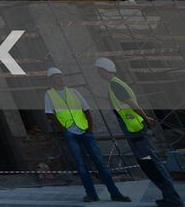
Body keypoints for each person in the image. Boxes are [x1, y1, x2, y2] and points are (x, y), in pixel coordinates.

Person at [94, 58, 183, 207]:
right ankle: (168, 195)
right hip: (133, 129)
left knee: (151, 163)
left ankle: (172, 197)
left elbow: (132, 104)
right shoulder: (116, 84)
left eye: (98, 70)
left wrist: (145, 117)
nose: (97, 73)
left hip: (135, 130)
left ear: (103, 70)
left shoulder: (115, 84)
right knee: (148, 163)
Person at [44, 67, 130, 204]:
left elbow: (86, 110)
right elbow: (49, 113)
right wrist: (63, 129)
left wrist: (90, 128)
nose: (59, 79)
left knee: (100, 163)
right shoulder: (49, 95)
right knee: (81, 164)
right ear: (51, 80)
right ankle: (91, 194)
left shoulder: (74, 92)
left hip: (85, 131)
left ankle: (115, 193)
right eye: (56, 77)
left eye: (60, 76)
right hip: (70, 133)